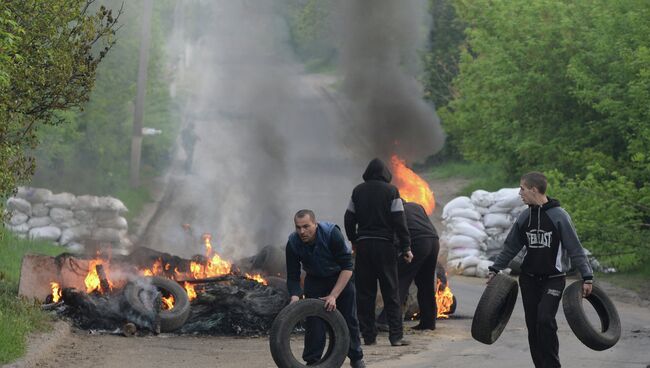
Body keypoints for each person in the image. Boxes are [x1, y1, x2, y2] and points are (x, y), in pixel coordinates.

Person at [487, 171, 593, 368]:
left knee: (545, 320)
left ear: (534, 189)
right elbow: (510, 247)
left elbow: (575, 248)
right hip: (528, 279)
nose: (520, 193)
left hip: (553, 278)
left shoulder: (559, 216)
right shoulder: (524, 217)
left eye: (522, 188)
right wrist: (495, 268)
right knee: (533, 325)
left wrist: (587, 277)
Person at [344, 158, 413, 347]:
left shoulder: (358, 191)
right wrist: (406, 247)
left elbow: (349, 218)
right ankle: (396, 337)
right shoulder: (391, 191)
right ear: (385, 174)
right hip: (385, 247)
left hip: (364, 246)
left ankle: (368, 336)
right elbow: (399, 220)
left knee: (365, 294)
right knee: (391, 292)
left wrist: (354, 240)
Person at [286, 209, 365, 368]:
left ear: (315, 224)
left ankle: (356, 359)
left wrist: (333, 295)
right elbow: (293, 276)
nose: (302, 231)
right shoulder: (293, 242)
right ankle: (313, 362)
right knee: (314, 323)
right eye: (298, 227)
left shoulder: (331, 234)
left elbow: (348, 268)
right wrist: (294, 296)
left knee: (348, 320)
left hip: (339, 277)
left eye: (306, 226)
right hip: (315, 280)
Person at [377, 201, 440, 331]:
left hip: (417, 243)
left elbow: (395, 236)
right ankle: (428, 323)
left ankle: (386, 320)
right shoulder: (417, 206)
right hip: (434, 242)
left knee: (400, 282)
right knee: (426, 284)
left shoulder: (394, 211)